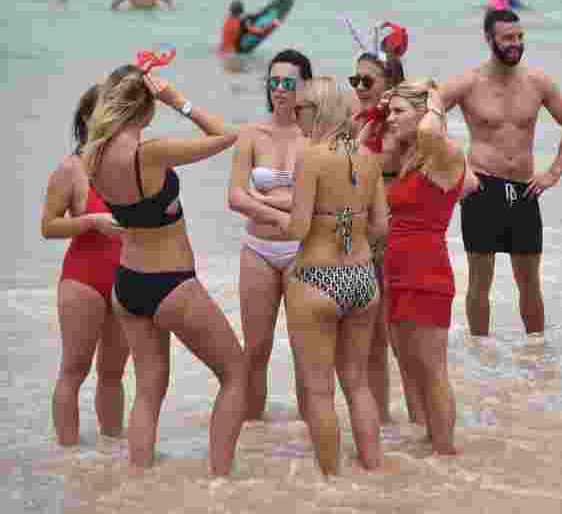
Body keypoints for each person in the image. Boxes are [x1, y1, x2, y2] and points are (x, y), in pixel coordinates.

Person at [82, 59, 244, 475]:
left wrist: (126, 82)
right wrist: (178, 101)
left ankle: (138, 480)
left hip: (128, 284)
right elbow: (227, 136)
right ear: (146, 106)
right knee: (235, 373)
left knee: (149, 389)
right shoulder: (150, 154)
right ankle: (221, 481)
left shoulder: (93, 154)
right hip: (171, 284)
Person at [268, 76, 387, 474]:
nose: (296, 115)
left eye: (301, 108)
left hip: (318, 279)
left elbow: (298, 229)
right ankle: (374, 471)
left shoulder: (313, 156)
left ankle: (332, 484)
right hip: (362, 279)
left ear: (318, 111)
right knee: (358, 385)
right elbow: (381, 226)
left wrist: (266, 211)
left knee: (320, 392)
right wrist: (346, 227)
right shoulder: (367, 157)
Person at [440, 9, 562, 336]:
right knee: (479, 279)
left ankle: (537, 351)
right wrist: (456, 166)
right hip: (481, 188)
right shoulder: (468, 82)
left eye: (519, 37)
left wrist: (554, 172)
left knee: (530, 282)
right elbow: (428, 114)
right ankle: (479, 352)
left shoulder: (537, 82)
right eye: (507, 38)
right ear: (489, 39)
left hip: (524, 190)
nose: (515, 44)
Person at [384, 81, 478, 454]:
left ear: (424, 115)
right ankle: (430, 440)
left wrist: (435, 99)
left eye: (398, 112)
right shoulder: (412, 158)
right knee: (410, 362)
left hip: (427, 272)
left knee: (432, 366)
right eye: (390, 112)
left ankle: (446, 451)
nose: (390, 119)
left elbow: (427, 129)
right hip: (399, 270)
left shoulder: (446, 155)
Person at [41, 81, 131, 446]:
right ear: (86, 119)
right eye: (105, 110)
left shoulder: (131, 165)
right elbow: (48, 225)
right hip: (83, 278)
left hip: (127, 278)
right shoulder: (71, 169)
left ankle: (113, 453)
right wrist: (91, 222)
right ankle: (69, 458)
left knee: (113, 373)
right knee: (74, 371)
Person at [227, 50, 313, 421]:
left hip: (302, 250)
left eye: (288, 83)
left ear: (304, 87)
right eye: (273, 82)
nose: (279, 90)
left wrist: (265, 202)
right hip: (258, 249)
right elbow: (235, 197)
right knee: (256, 348)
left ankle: (311, 434)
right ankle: (253, 435)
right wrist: (283, 216)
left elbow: (318, 197)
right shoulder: (251, 133)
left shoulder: (313, 136)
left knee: (305, 349)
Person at [348, 37, 412, 425]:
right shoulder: (356, 123)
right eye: (354, 80)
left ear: (389, 85)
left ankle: (420, 419)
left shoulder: (404, 130)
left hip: (394, 237)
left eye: (366, 82)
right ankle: (381, 421)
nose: (357, 89)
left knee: (402, 334)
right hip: (356, 235)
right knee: (368, 336)